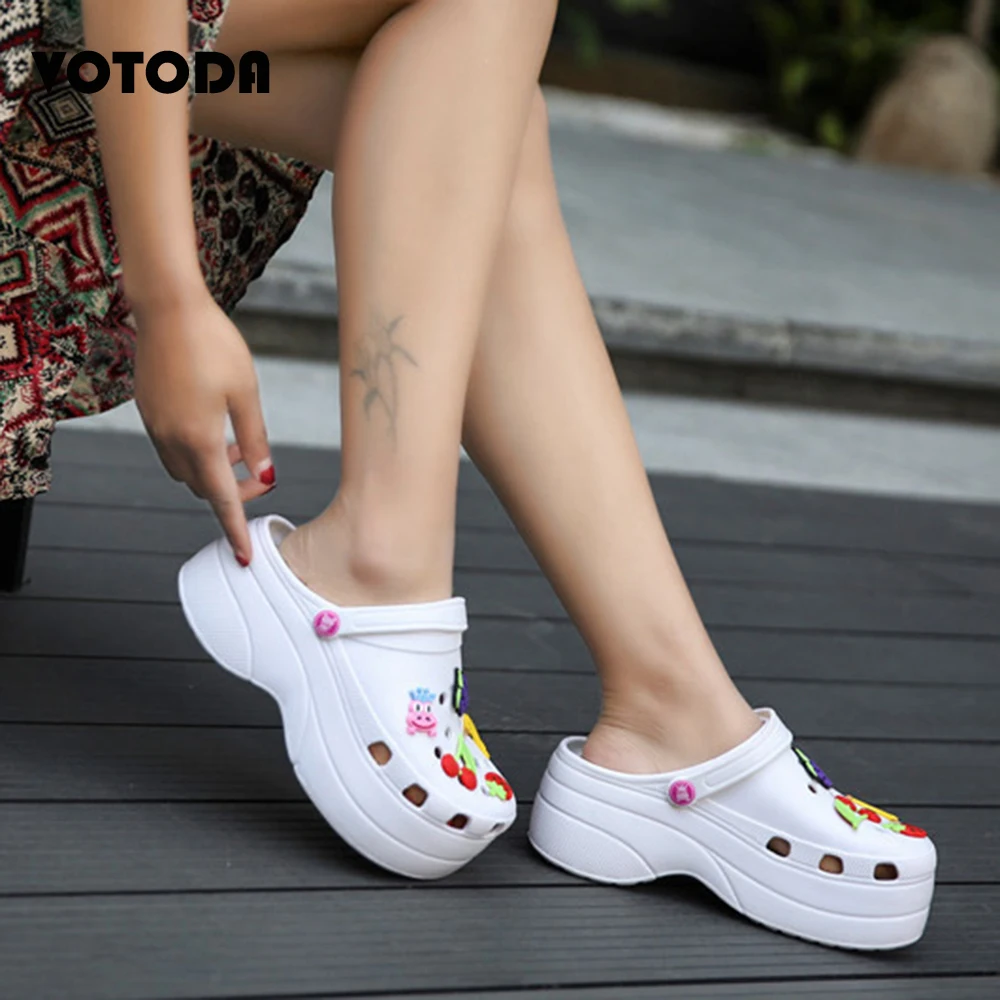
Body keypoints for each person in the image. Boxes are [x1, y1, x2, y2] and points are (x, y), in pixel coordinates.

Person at [2, 0, 935, 950]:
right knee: (475, 84)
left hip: (139, 60)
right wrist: (167, 298)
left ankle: (666, 701)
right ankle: (387, 564)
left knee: (476, 116)